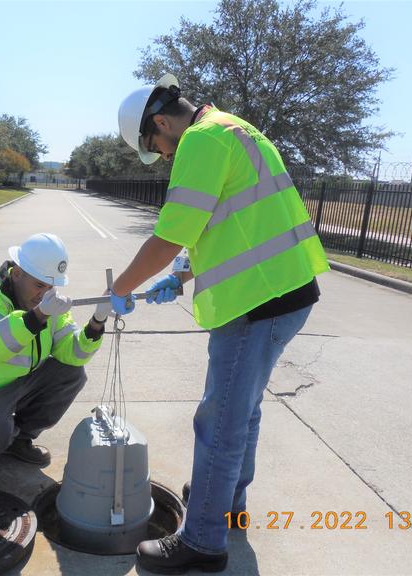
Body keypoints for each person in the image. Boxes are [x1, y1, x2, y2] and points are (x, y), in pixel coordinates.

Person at [111, 74, 330, 573]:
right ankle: (226, 504)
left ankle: (203, 541)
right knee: (243, 410)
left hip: (255, 302)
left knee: (220, 421)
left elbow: (171, 234)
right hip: (287, 291)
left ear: (162, 122)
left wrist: (120, 288)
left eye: (154, 147)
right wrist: (183, 274)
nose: (162, 157)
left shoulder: (200, 142)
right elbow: (230, 219)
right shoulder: (236, 128)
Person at [0, 233, 111, 472]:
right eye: (39, 285)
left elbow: (73, 353)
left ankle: (18, 440)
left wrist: (97, 322)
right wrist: (37, 316)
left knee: (71, 374)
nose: (44, 293)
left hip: (12, 384)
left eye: (50, 286)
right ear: (17, 274)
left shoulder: (48, 303)